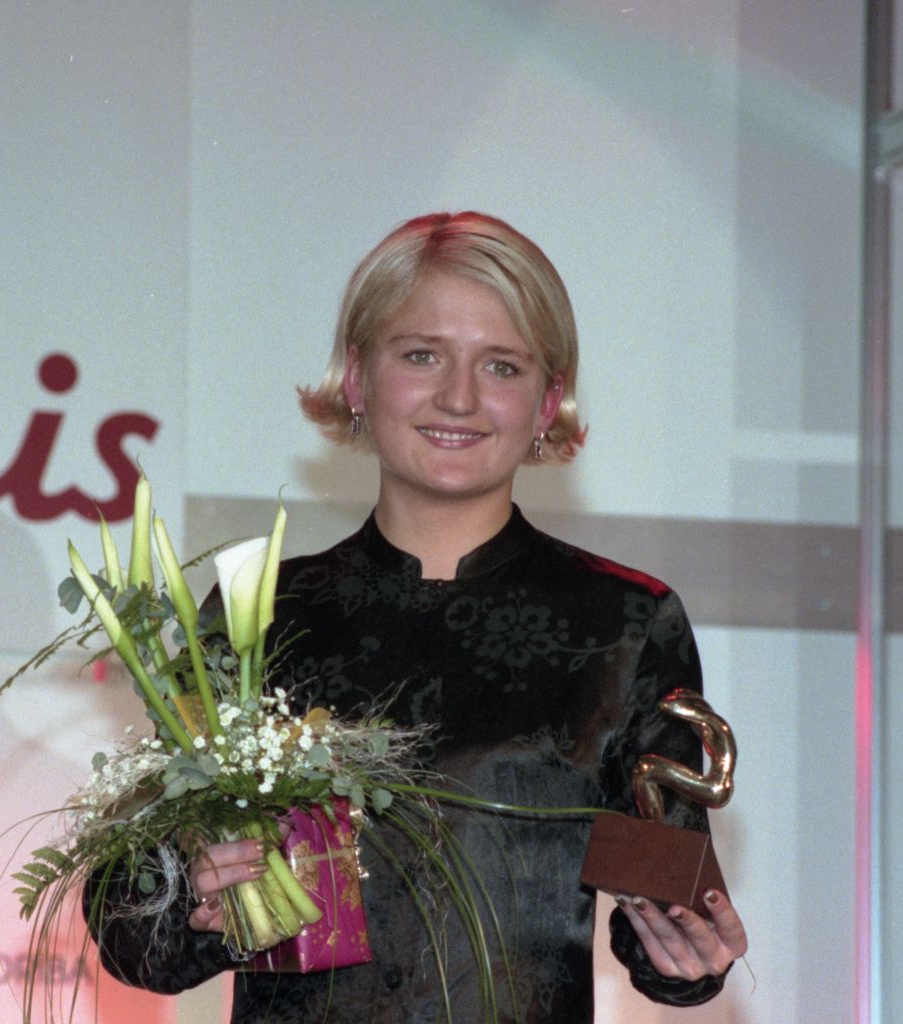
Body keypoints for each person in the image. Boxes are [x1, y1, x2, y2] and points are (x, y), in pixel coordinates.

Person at [86, 212, 746, 1021]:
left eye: (501, 365)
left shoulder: (625, 624)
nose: (458, 397)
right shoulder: (257, 614)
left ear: (548, 401)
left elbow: (670, 910)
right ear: (356, 379)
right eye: (421, 355)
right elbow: (134, 935)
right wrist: (193, 893)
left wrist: (685, 953)